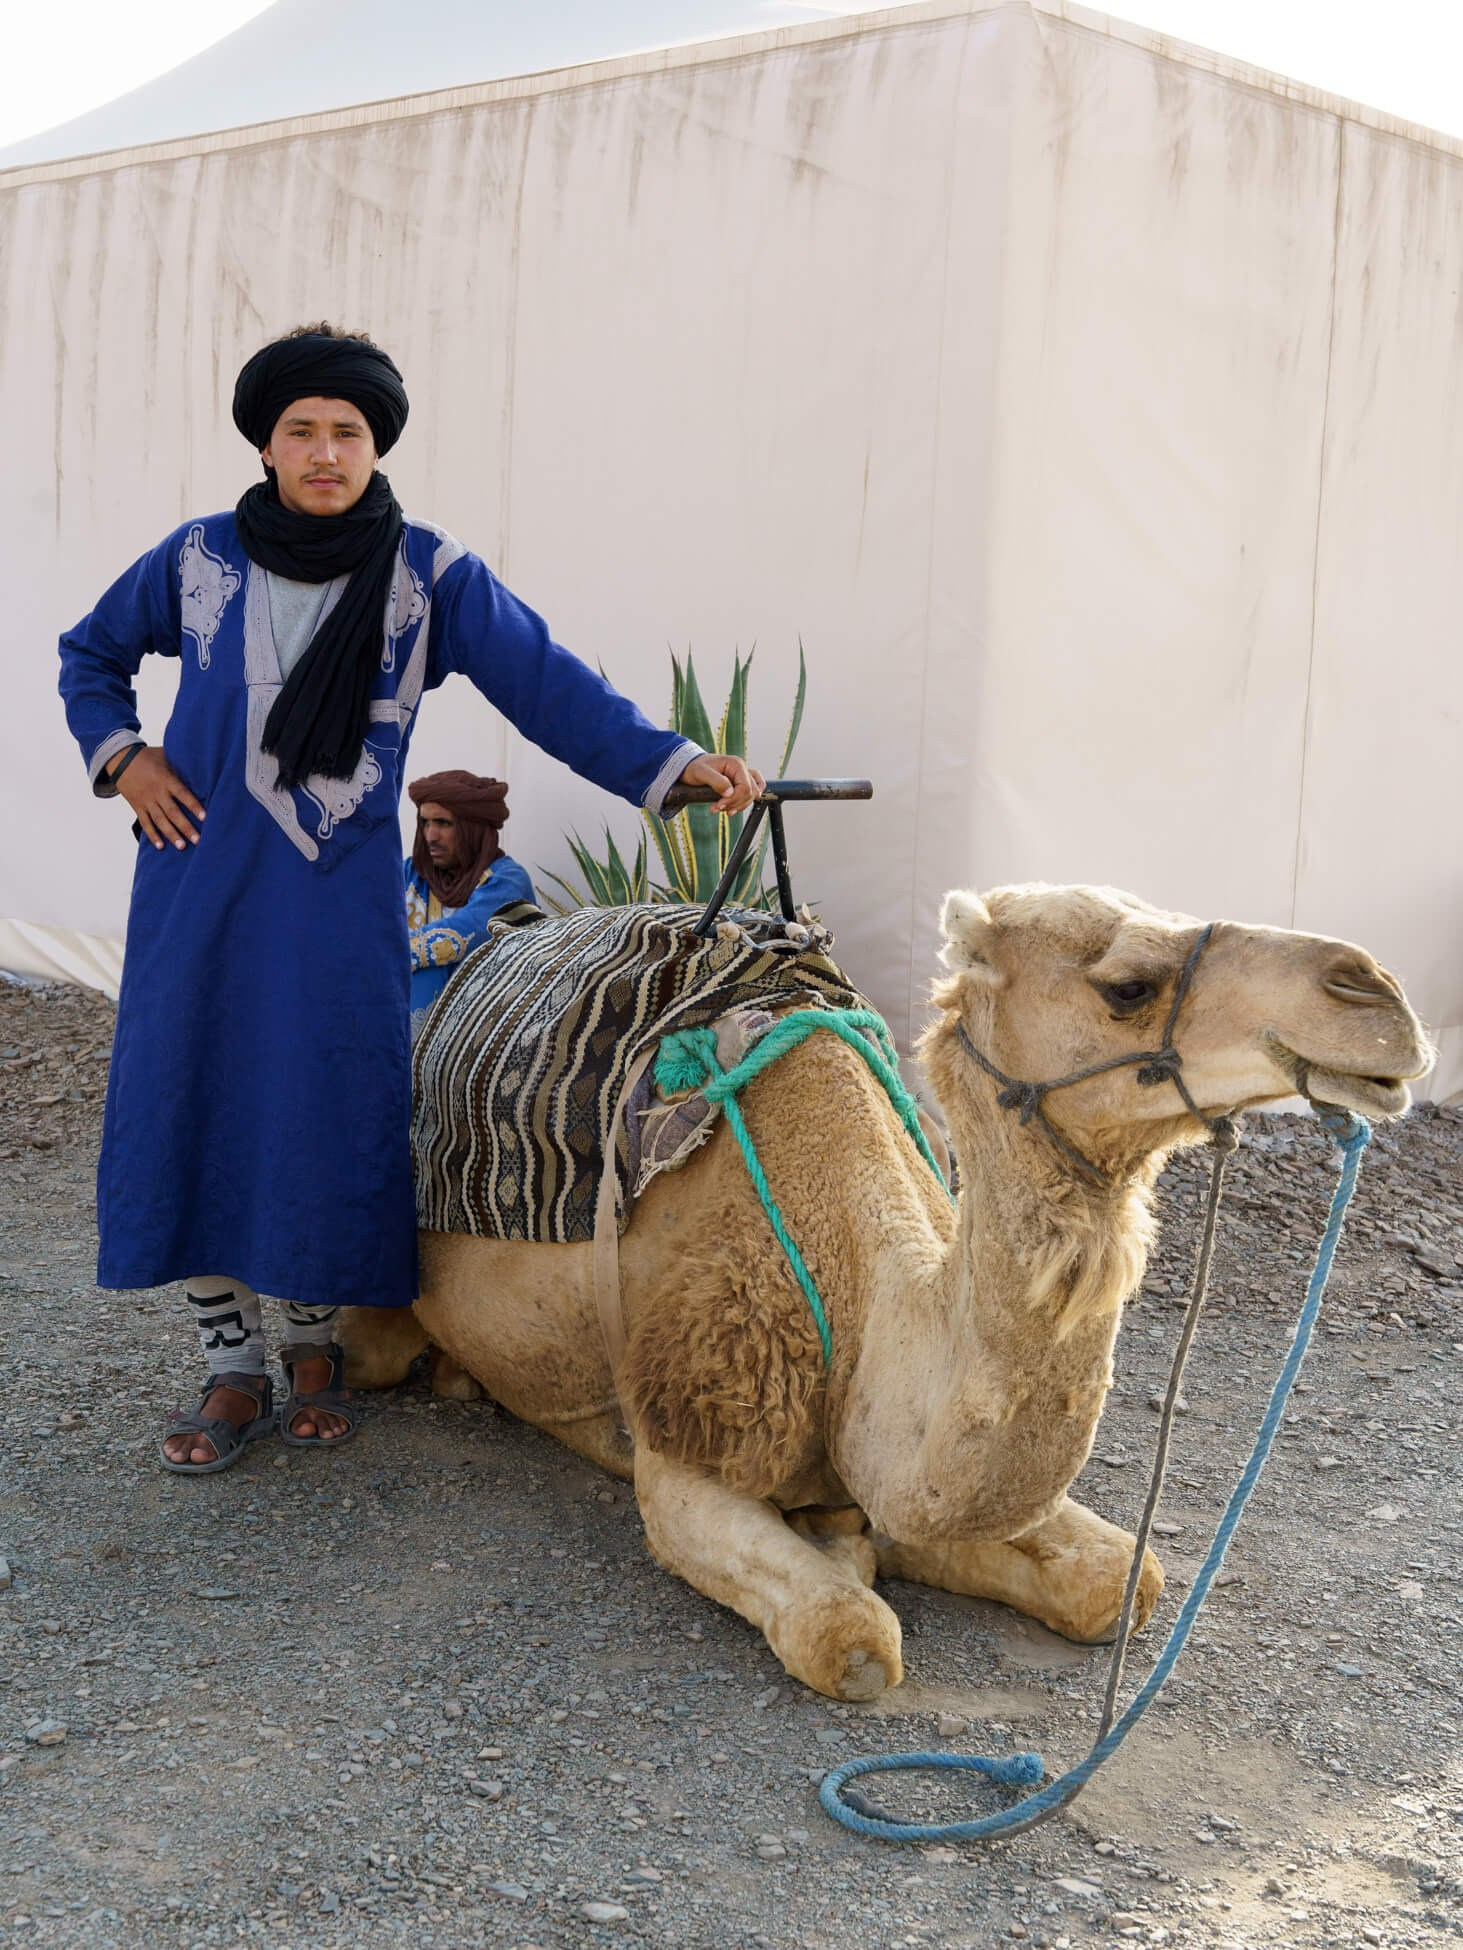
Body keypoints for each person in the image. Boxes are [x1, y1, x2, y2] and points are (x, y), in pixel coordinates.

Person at [58, 322, 763, 1473]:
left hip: (338, 894)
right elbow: (87, 654)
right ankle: (229, 1362)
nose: (325, 452)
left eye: (348, 432)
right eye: (302, 431)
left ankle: (314, 1343)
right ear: (268, 444)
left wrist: (669, 762)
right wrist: (124, 756)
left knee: (330, 1097)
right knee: (194, 1086)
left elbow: (545, 682)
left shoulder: (427, 572)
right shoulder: (195, 560)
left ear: (376, 446)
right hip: (202, 879)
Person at [405, 769, 535, 1036]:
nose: (431, 836)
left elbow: (462, 932)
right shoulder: (410, 873)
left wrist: (383, 957)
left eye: (443, 823)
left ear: (472, 828)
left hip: (488, 1032)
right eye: (424, 823)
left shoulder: (508, 881)